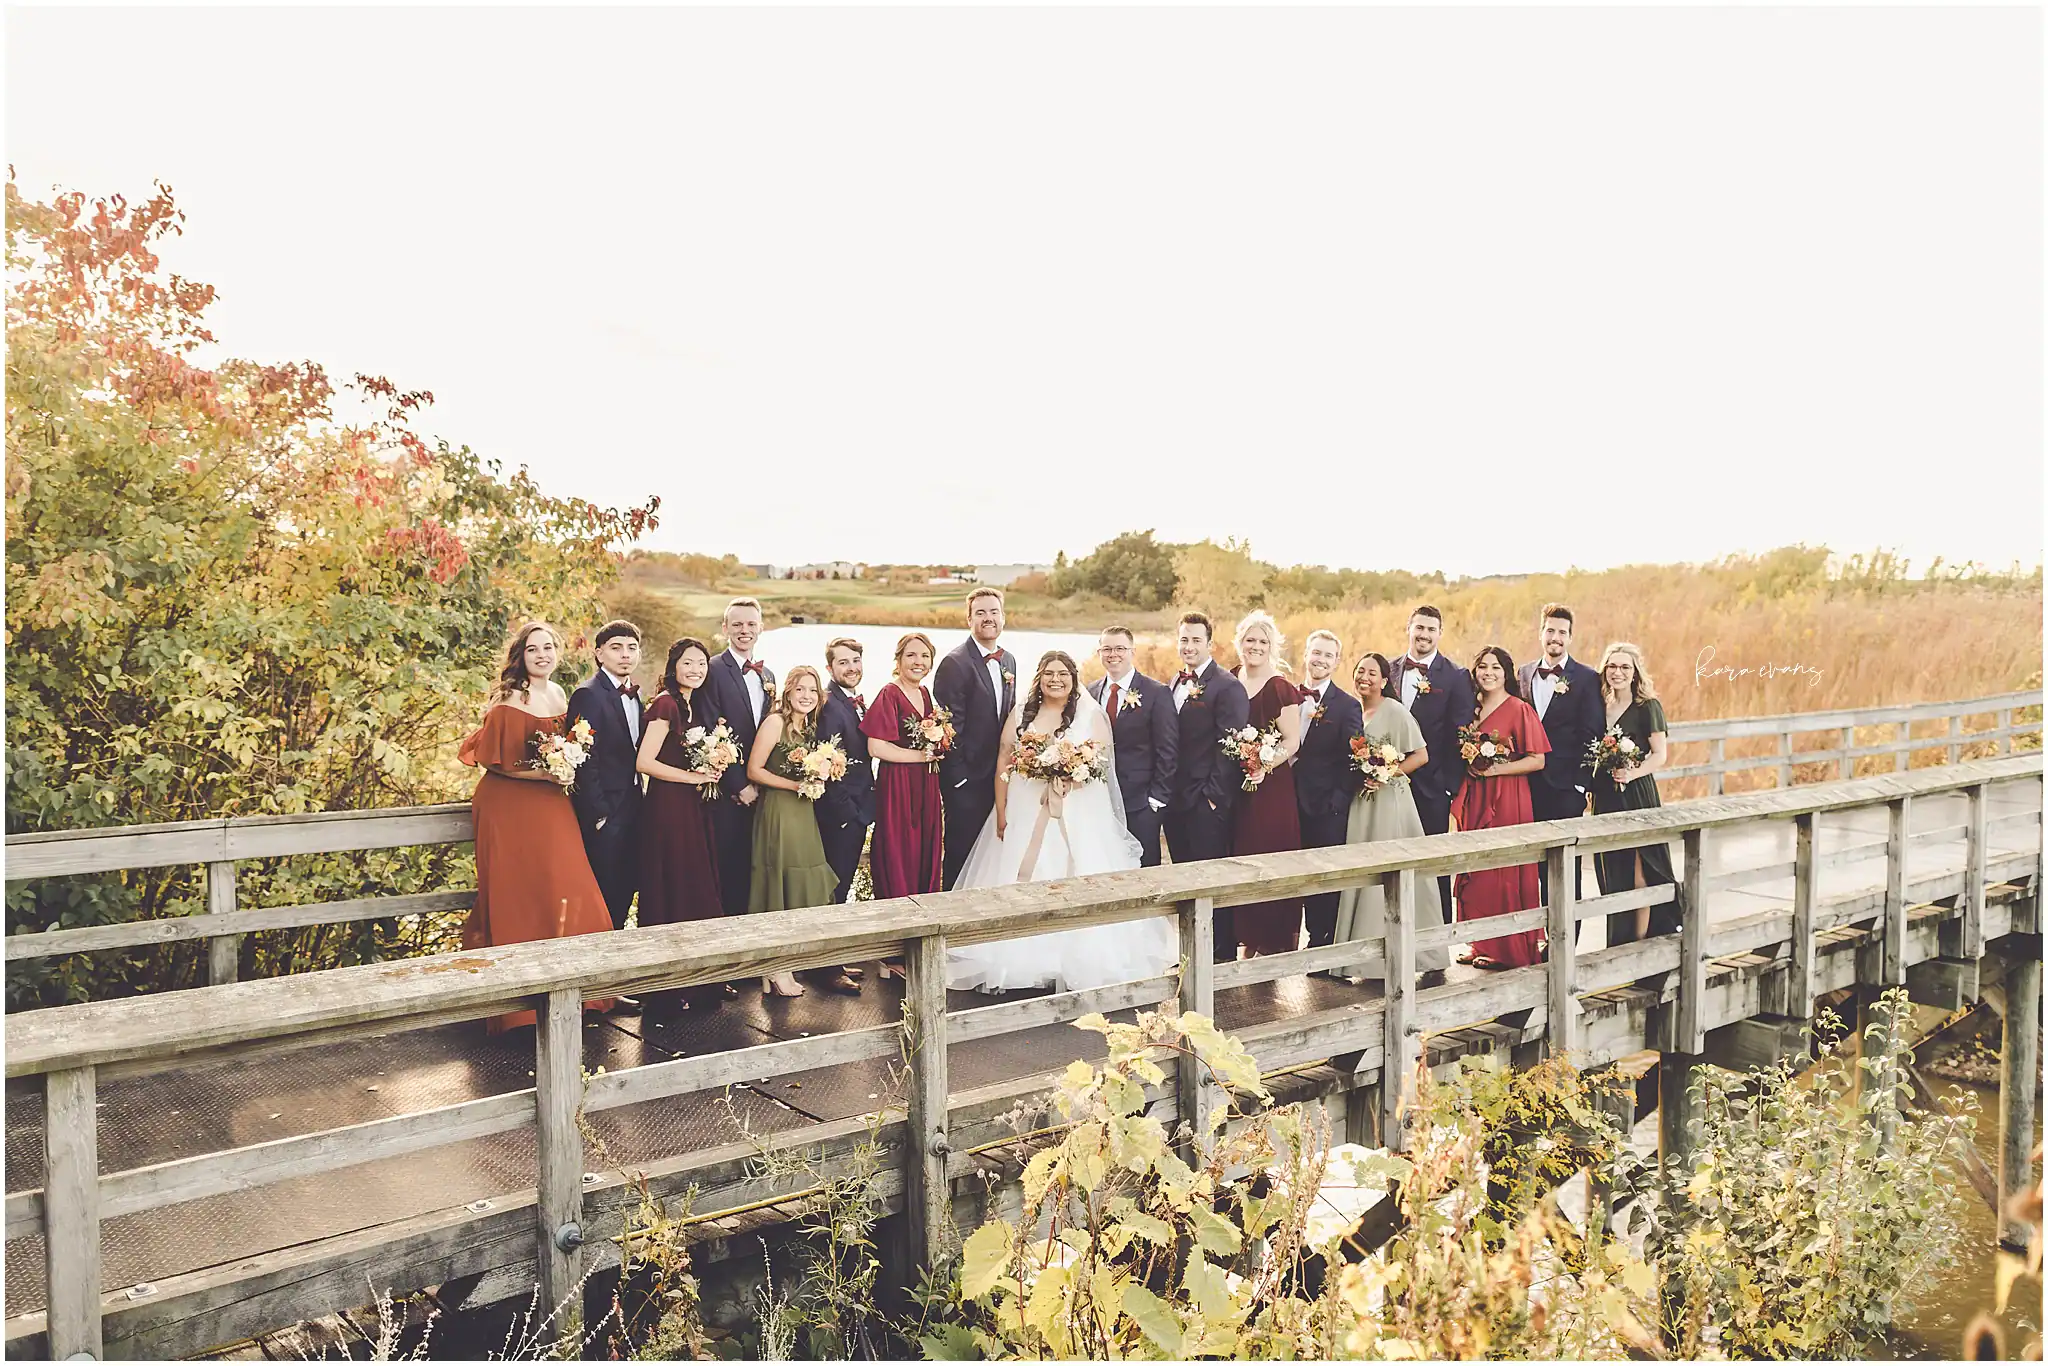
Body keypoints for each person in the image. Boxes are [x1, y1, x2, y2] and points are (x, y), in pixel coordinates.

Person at [946, 652, 1178, 993]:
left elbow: (1102, 766)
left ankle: (1078, 955)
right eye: (1049, 674)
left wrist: (1074, 775)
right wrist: (1001, 810)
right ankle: (1020, 954)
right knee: (1021, 875)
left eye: (1063, 674)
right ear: (1039, 678)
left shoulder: (1091, 715)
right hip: (1026, 810)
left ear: (1073, 678)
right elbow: (1003, 763)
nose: (1056, 680)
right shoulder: (1021, 715)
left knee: (1078, 873)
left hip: (1080, 813)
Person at [457, 622, 614, 1032]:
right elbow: (493, 760)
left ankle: (580, 990)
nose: (542, 655)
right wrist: (545, 776)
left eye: (548, 648)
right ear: (520, 656)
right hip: (508, 804)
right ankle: (517, 1008)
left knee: (569, 885)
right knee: (519, 893)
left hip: (551, 802)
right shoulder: (511, 697)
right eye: (533, 650)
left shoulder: (560, 693)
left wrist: (561, 770)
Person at [1332, 653, 1448, 985]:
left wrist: (1387, 772)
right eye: (1359, 671)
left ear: (1384, 680)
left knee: (1391, 872)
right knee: (1361, 872)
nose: (1364, 677)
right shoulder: (1354, 712)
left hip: (1389, 802)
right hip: (1362, 804)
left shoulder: (1394, 711)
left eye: (1372, 672)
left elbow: (1421, 755)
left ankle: (1417, 953)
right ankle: (1359, 956)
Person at [633, 637, 728, 1013]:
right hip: (669, 807)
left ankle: (696, 983)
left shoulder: (693, 704)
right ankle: (664, 991)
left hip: (693, 808)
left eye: (702, 663)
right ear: (673, 666)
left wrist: (714, 766)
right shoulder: (665, 704)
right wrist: (693, 778)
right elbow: (645, 761)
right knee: (672, 886)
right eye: (688, 663)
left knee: (695, 886)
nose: (696, 670)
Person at [1449, 646, 1550, 970]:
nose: (1488, 672)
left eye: (1495, 667)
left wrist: (1496, 770)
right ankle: (1479, 940)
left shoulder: (1519, 709)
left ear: (1507, 672)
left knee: (1501, 870)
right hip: (1476, 795)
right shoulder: (1472, 710)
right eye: (1482, 666)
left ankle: (1506, 948)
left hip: (1507, 797)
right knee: (1476, 869)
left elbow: (1537, 759)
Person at [745, 665, 843, 998]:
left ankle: (783, 963)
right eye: (800, 689)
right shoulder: (776, 723)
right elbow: (754, 769)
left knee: (805, 880)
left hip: (803, 812)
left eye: (813, 691)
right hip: (780, 811)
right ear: (788, 692)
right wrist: (794, 784)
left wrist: (826, 770)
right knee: (779, 884)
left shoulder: (808, 729)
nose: (806, 696)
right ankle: (776, 967)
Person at [1162, 611, 1251, 961]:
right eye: (1184, 639)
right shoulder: (1174, 682)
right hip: (1177, 802)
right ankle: (1192, 953)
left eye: (1196, 640)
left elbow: (1229, 747)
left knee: (1211, 880)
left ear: (1210, 644)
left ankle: (1221, 955)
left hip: (1206, 803)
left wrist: (1213, 799)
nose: (1189, 646)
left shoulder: (1227, 686)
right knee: (1185, 881)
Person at [861, 632, 947, 979]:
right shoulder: (889, 694)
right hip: (898, 784)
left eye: (925, 656)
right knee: (898, 854)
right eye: (911, 655)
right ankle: (890, 955)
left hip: (925, 783)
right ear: (898, 659)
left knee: (925, 853)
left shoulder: (925, 694)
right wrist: (918, 756)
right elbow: (876, 747)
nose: (918, 662)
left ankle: (918, 941)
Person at [1389, 605, 1477, 938]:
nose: (1424, 635)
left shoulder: (1455, 676)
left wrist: (1448, 787)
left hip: (1432, 788)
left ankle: (1435, 942)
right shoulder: (1390, 669)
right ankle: (1394, 934)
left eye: (1431, 629)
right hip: (1390, 785)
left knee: (1433, 866)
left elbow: (1460, 732)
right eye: (1419, 628)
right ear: (1408, 628)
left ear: (1440, 634)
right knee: (1392, 861)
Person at [1515, 604, 1604, 922]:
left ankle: (1567, 938)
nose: (1555, 637)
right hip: (1529, 785)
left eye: (1562, 632)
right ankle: (1542, 935)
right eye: (1550, 631)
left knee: (1567, 865)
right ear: (1541, 633)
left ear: (1570, 637)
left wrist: (1582, 784)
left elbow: (1593, 733)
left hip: (1567, 787)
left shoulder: (1586, 677)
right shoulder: (1524, 673)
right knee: (1536, 863)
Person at [1228, 611, 1307, 957]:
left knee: (1268, 854)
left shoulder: (1280, 688)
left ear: (1272, 646)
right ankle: (1246, 935)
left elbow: (1292, 741)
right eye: (1250, 640)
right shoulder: (1229, 680)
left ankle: (1273, 941)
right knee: (1238, 854)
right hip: (1234, 785)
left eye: (1262, 641)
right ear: (1239, 643)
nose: (1255, 647)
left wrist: (1263, 763)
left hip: (1270, 788)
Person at [1590, 642, 1678, 947]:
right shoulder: (1599, 705)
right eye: (1612, 666)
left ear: (1635, 672)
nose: (1618, 672)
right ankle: (1618, 940)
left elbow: (1659, 754)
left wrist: (1632, 772)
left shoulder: (1647, 706)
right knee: (1614, 869)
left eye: (1625, 667)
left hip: (1637, 793)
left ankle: (1641, 940)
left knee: (1643, 866)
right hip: (1606, 796)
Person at [933, 588, 1018, 890]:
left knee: (994, 854)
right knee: (960, 854)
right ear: (969, 619)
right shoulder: (954, 664)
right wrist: (958, 781)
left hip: (1000, 779)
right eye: (980, 613)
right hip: (966, 784)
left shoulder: (1009, 661)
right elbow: (948, 728)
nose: (988, 618)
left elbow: (1010, 719)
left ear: (1003, 617)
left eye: (994, 612)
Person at [566, 620, 645, 935]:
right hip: (606, 814)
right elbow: (584, 759)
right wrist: (598, 815)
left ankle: (618, 966)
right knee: (602, 895)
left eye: (631, 648)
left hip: (633, 808)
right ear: (599, 653)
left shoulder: (634, 694)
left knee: (626, 889)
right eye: (616, 648)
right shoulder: (588, 695)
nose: (625, 655)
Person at [1292, 629, 1364, 951]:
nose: (1319, 659)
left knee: (1326, 877)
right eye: (1315, 652)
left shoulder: (1347, 705)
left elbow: (1354, 758)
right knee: (1297, 876)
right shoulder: (1287, 696)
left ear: (1336, 662)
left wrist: (1338, 801)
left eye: (1327, 655)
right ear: (1305, 654)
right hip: (1288, 802)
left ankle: (1325, 944)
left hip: (1327, 807)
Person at [809, 637, 874, 995]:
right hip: (841, 814)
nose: (852, 668)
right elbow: (828, 762)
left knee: (842, 885)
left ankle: (833, 958)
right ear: (830, 668)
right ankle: (825, 970)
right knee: (834, 887)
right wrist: (848, 814)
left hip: (857, 807)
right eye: (843, 663)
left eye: (856, 661)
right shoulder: (831, 706)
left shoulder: (851, 702)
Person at [704, 598, 775, 919]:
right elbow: (710, 732)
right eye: (737, 625)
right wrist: (738, 785)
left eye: (750, 624)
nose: (744, 631)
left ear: (761, 627)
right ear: (725, 629)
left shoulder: (768, 673)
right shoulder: (713, 669)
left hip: (764, 789)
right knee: (729, 871)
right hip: (729, 793)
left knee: (757, 868)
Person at [1088, 625, 1178, 867]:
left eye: (1120, 648)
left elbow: (1167, 749)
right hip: (1100, 800)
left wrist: (1157, 799)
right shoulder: (1091, 692)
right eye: (1106, 649)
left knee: (1144, 868)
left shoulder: (1156, 693)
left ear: (1132, 652)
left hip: (1141, 803)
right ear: (1099, 653)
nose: (1113, 654)